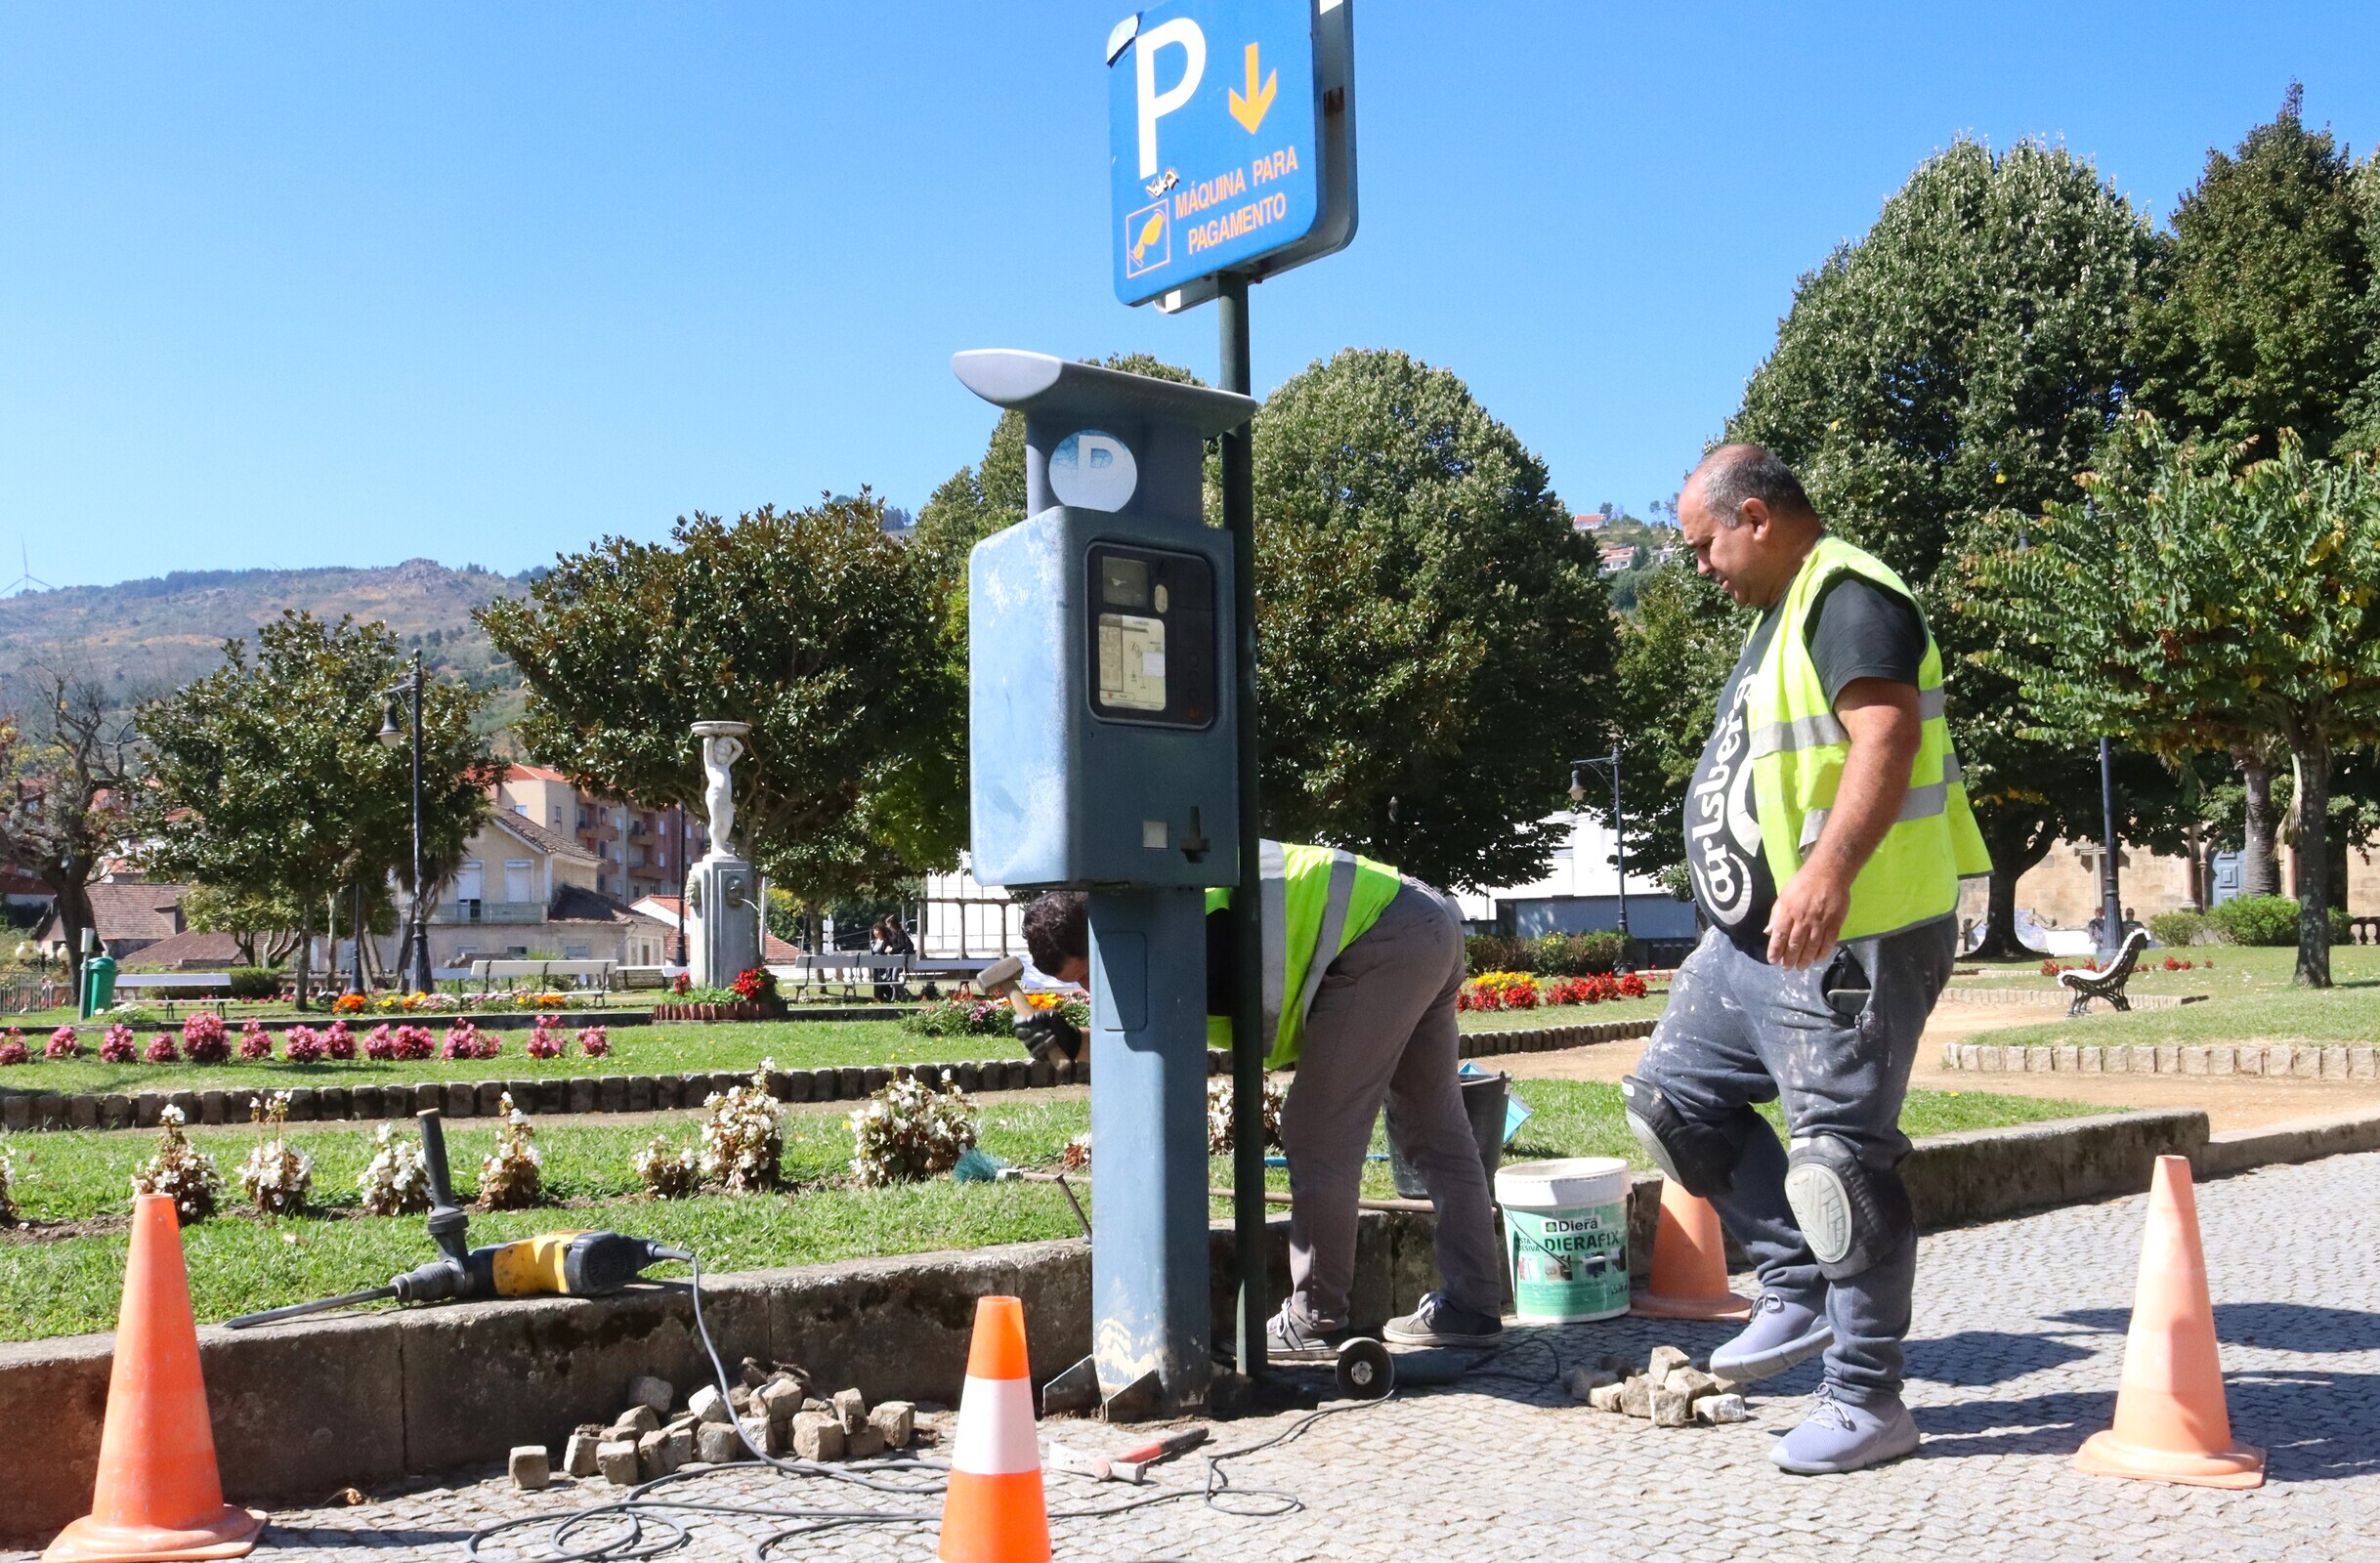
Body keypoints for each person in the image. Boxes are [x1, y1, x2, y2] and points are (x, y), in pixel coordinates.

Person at [1625, 444, 1989, 1475]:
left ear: (1756, 515)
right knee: (1671, 1102)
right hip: (1748, 943)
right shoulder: (1779, 612)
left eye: (1706, 546)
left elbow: (1887, 738)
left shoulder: (1848, 595)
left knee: (1839, 1164)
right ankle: (1793, 1282)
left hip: (1852, 932)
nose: (1701, 568)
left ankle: (1869, 1397)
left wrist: (1826, 873)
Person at [1016, 842, 1506, 1353]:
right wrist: (1074, 1043)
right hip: (1421, 922)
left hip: (1376, 938)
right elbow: (1158, 1020)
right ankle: (1473, 1308)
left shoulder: (1188, 933)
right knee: (1435, 1131)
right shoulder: (1168, 911)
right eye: (1078, 987)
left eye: (1088, 975)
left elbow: (1159, 1031)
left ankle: (1315, 1319)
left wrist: (1078, 1042)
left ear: (1102, 938)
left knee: (1316, 1133)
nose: (1092, 992)